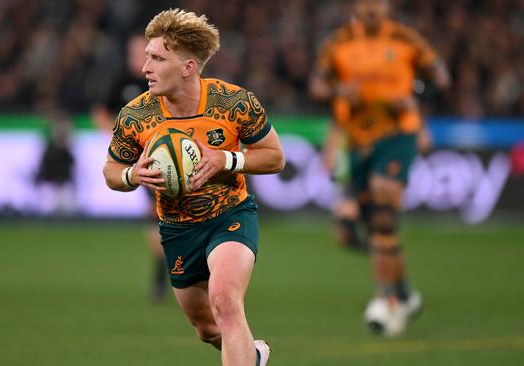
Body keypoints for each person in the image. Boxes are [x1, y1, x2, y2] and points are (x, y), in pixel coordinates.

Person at [103, 9, 284, 365]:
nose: (145, 68)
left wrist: (226, 160)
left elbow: (275, 157)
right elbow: (111, 170)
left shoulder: (233, 103)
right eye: (146, 57)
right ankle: (255, 356)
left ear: (188, 67)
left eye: (156, 58)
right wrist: (132, 176)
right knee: (207, 328)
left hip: (229, 215)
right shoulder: (136, 116)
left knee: (225, 301)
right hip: (177, 228)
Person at [310, 0, 449, 335]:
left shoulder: (406, 39)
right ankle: (403, 294)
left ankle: (386, 301)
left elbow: (441, 78)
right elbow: (317, 86)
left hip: (397, 133)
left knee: (385, 215)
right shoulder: (338, 42)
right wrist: (338, 90)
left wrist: (416, 94)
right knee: (367, 229)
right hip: (357, 141)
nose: (372, 7)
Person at [91, 34, 168, 302]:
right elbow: (99, 113)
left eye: (145, 53)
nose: (140, 58)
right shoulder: (121, 82)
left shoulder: (163, 81)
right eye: (135, 52)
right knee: (157, 215)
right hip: (141, 161)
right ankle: (164, 272)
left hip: (172, 156)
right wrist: (121, 139)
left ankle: (173, 270)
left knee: (164, 216)